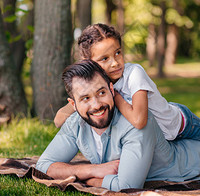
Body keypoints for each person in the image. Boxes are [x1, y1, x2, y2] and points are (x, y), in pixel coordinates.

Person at [36, 60, 200, 191]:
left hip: (192, 164)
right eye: (85, 98)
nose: (96, 105)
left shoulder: (135, 124)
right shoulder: (75, 124)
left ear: (111, 89)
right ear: (73, 104)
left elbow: (127, 186)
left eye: (101, 93)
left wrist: (91, 181)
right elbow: (43, 166)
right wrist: (90, 170)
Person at [54, 23, 200, 141]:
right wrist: (78, 104)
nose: (115, 63)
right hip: (163, 138)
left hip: (181, 124)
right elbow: (58, 121)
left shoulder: (134, 74)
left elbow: (139, 120)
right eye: (105, 59)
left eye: (118, 53)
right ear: (89, 62)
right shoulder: (95, 86)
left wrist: (115, 95)